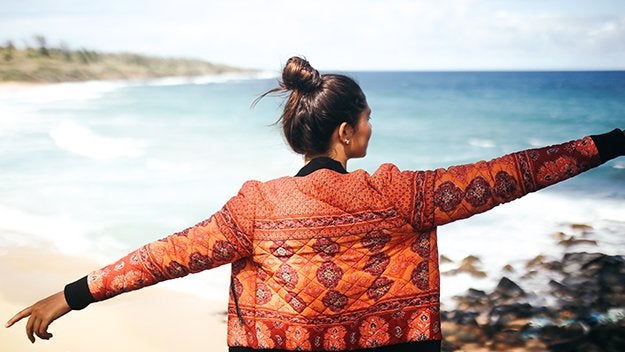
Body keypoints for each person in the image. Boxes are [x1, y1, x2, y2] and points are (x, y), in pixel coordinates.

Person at [5, 56, 625, 352]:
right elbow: (512, 173)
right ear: (346, 134)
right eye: (367, 120)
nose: (370, 130)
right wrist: (612, 143)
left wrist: (73, 294)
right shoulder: (400, 194)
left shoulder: (256, 208)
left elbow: (167, 255)